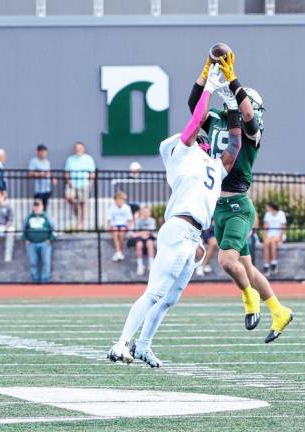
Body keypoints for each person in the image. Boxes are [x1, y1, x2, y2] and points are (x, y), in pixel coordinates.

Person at [107, 63, 238, 367]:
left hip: (194, 236)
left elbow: (234, 148)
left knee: (170, 299)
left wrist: (232, 108)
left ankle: (143, 345)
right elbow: (195, 122)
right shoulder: (181, 154)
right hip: (179, 227)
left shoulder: (211, 164)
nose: (202, 138)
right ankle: (121, 343)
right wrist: (209, 87)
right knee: (154, 293)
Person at [188, 50, 293, 342]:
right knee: (246, 266)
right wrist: (206, 69)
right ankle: (279, 310)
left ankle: (250, 297)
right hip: (219, 206)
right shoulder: (220, 118)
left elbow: (247, 114)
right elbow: (194, 105)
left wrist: (233, 79)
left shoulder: (252, 129)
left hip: (237, 205)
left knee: (226, 261)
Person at [22, 199, 56, 283]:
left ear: (42, 207)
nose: (37, 208)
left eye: (38, 206)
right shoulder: (29, 217)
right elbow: (23, 229)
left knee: (46, 262)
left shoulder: (47, 217)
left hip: (45, 243)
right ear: (33, 208)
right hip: (31, 243)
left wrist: (50, 239)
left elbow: (54, 229)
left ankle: (45, 280)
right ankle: (35, 280)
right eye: (35, 206)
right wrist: (25, 239)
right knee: (33, 262)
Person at [64, 141, 95, 230]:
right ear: (74, 149)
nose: (78, 150)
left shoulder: (89, 159)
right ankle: (76, 212)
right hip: (72, 185)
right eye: (77, 148)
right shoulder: (70, 159)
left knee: (83, 203)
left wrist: (90, 183)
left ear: (83, 149)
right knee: (69, 198)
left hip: (84, 184)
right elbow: (66, 172)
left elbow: (92, 172)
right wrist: (69, 181)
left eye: (80, 148)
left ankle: (81, 222)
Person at [106, 191, 134, 262]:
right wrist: (108, 227)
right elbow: (109, 220)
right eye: (118, 199)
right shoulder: (112, 208)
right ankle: (119, 252)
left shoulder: (127, 208)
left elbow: (130, 220)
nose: (120, 201)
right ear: (115, 200)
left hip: (123, 225)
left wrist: (129, 227)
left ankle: (118, 252)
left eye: (122, 199)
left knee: (121, 233)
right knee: (115, 232)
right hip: (114, 225)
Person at [262, 202, 287, 277]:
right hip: (270, 235)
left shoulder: (281, 213)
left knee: (273, 242)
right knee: (266, 243)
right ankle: (266, 265)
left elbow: (283, 227)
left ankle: (274, 263)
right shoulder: (267, 214)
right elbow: (266, 227)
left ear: (271, 207)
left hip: (279, 234)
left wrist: (281, 238)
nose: (266, 208)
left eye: (267, 207)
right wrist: (264, 237)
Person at [130, 206, 157, 275]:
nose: (145, 213)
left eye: (147, 212)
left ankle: (151, 265)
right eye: (144, 212)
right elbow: (134, 233)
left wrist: (143, 233)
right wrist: (142, 233)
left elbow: (150, 231)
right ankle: (140, 265)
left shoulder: (152, 220)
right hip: (139, 238)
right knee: (139, 245)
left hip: (149, 238)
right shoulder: (138, 221)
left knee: (150, 243)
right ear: (141, 213)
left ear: (150, 213)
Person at [28, 144, 55, 211]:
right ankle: (34, 218)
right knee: (37, 206)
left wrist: (53, 178)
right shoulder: (34, 161)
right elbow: (30, 173)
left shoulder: (47, 162)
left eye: (45, 152)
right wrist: (41, 174)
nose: (44, 154)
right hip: (39, 190)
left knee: (45, 206)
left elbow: (49, 172)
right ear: (38, 152)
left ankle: (43, 219)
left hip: (47, 188)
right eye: (42, 152)